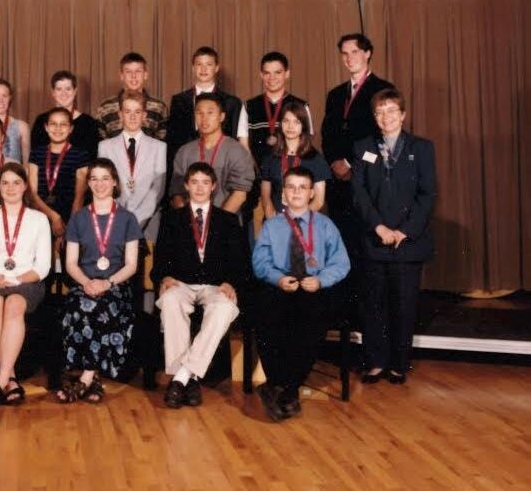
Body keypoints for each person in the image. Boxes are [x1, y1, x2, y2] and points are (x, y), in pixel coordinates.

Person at [351, 89, 436, 385]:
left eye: (391, 111)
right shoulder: (363, 147)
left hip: (407, 242)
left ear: (402, 115)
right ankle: (375, 362)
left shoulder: (421, 148)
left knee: (403, 305)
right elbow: (359, 193)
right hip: (374, 239)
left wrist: (404, 231)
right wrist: (379, 227)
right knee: (373, 304)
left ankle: (399, 364)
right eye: (379, 112)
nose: (385, 117)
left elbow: (427, 195)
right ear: (374, 117)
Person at [252, 167, 350, 421]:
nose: (296, 192)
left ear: (311, 193)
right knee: (265, 314)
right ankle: (280, 385)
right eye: (291, 187)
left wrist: (320, 280)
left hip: (312, 286)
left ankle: (286, 388)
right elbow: (260, 261)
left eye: (302, 187)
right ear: (283, 193)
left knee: (311, 320)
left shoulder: (325, 225)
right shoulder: (271, 225)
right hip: (281, 284)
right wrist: (278, 278)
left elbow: (341, 262)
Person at [151, 163, 247, 408]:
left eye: (205, 182)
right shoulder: (172, 218)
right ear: (186, 186)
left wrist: (231, 283)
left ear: (213, 186)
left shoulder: (228, 220)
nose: (200, 188)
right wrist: (165, 277)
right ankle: (190, 381)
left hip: (215, 286)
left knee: (225, 308)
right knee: (170, 300)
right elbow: (161, 256)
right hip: (181, 283)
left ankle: (180, 377)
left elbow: (240, 260)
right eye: (194, 182)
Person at [56, 159, 142, 404]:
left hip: (116, 285)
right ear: (88, 183)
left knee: (101, 308)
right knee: (80, 306)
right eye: (94, 178)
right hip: (83, 284)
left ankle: (84, 379)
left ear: (114, 182)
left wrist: (108, 283)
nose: (100, 184)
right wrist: (87, 283)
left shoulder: (128, 218)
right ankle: (92, 380)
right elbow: (71, 263)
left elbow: (131, 265)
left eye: (105, 178)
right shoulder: (79, 218)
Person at [0, 163, 52, 404]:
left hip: (27, 281)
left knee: (15, 305)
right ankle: (11, 378)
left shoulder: (39, 219)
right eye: (5, 183)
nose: (10, 188)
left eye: (16, 182)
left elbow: (43, 267)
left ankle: (0, 382)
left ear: (25, 186)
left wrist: (16, 279)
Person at [320, 33, 395, 253]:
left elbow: (383, 135)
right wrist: (334, 161)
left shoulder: (383, 90)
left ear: (367, 53)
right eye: (344, 54)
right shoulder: (335, 94)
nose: (349, 58)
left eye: (354, 52)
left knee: (367, 244)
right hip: (337, 180)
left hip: (367, 176)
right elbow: (327, 134)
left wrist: (350, 163)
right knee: (342, 243)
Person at [169, 93, 255, 218]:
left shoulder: (236, 150)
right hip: (190, 223)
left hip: (225, 222)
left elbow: (239, 194)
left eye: (210, 113)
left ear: (222, 116)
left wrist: (216, 223)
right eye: (199, 113)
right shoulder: (184, 151)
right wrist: (187, 221)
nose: (204, 118)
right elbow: (177, 192)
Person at [97, 92, 167, 242]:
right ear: (120, 115)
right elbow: (104, 186)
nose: (133, 117)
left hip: (148, 223)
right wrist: (122, 220)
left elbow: (157, 189)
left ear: (144, 115)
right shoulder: (105, 147)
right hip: (114, 221)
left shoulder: (159, 147)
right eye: (128, 112)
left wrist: (136, 222)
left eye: (137, 112)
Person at [166, 46, 246, 165]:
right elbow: (173, 141)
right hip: (187, 164)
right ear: (193, 68)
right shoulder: (179, 101)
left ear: (216, 68)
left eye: (208, 64)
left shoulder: (231, 102)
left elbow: (234, 139)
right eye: (199, 64)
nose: (203, 69)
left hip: (220, 163)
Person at [29, 108, 90, 248]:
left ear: (71, 129)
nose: (58, 128)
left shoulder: (81, 155)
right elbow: (32, 193)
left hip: (70, 219)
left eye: (63, 124)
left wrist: (68, 228)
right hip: (40, 216)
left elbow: (79, 197)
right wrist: (53, 216)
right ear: (46, 127)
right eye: (53, 124)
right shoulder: (36, 153)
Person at [242, 52, 315, 168]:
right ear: (261, 75)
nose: (272, 78)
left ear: (287, 74)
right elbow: (243, 143)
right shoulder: (249, 105)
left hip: (293, 170)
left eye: (278, 72)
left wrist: (292, 170)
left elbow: (307, 140)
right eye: (267, 73)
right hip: (257, 171)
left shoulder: (301, 105)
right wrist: (255, 171)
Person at [259, 102, 331, 218]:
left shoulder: (315, 158)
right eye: (286, 121)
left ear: (303, 126)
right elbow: (266, 197)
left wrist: (294, 221)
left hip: (304, 223)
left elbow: (318, 201)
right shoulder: (270, 157)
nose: (290, 126)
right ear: (281, 124)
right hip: (275, 221)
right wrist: (275, 222)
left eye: (296, 122)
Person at [92, 52, 169, 141]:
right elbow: (100, 142)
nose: (133, 76)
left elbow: (163, 142)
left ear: (145, 75)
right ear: (121, 75)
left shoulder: (159, 107)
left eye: (138, 71)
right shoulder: (105, 107)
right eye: (128, 72)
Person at [30, 70, 100, 159]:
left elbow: (91, 156)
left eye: (68, 89)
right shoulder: (41, 120)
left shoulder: (89, 123)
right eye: (59, 89)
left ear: (75, 91)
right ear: (53, 93)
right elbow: (36, 154)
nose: (64, 93)